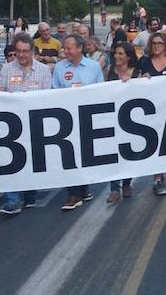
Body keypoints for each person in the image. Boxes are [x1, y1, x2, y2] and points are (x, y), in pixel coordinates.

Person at [0, 33, 52, 215]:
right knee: (11, 161)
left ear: (33, 51)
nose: (21, 55)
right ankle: (12, 200)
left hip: (34, 123)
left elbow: (47, 98)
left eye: (26, 51)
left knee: (31, 160)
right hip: (11, 126)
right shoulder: (6, 69)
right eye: (18, 51)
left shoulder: (44, 70)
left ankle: (29, 195)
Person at [55, 34, 105, 211]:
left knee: (84, 154)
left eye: (69, 48)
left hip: (87, 117)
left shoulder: (93, 67)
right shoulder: (59, 68)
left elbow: (101, 91)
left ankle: (83, 189)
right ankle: (73, 194)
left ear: (79, 48)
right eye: (64, 47)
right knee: (69, 155)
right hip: (66, 120)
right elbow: (54, 92)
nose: (65, 51)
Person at [137, 32, 166, 195]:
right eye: (154, 43)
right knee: (154, 144)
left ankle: (160, 175)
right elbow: (134, 84)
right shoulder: (144, 62)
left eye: (160, 43)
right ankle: (158, 177)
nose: (157, 46)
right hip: (150, 111)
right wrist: (142, 78)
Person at [105, 42, 141, 203]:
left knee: (129, 152)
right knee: (113, 153)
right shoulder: (110, 71)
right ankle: (114, 188)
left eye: (121, 54)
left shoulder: (137, 73)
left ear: (128, 56)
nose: (117, 56)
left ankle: (126, 183)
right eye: (115, 53)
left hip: (132, 119)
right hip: (113, 116)